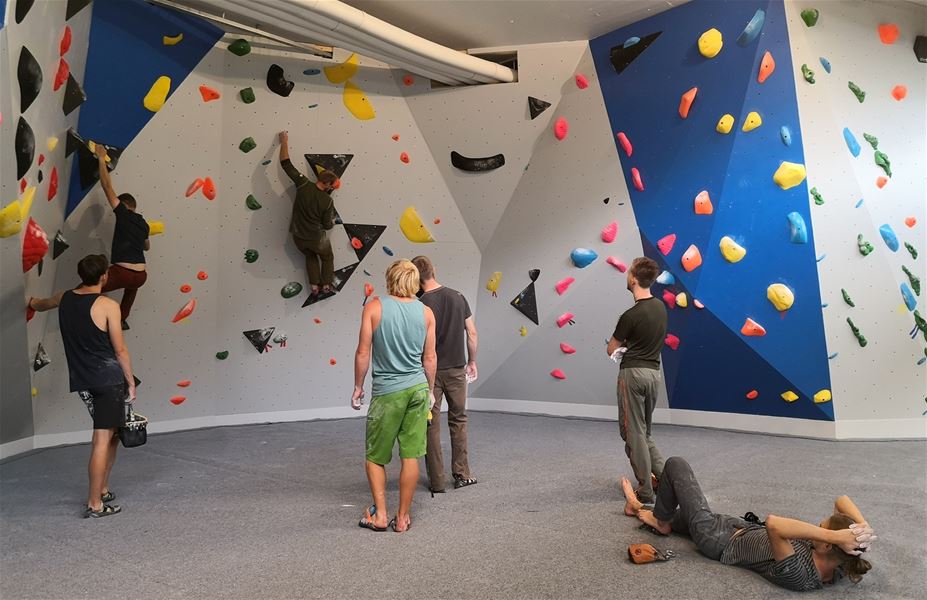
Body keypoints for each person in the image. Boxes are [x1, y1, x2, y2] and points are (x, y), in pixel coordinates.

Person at [621, 457, 875, 591]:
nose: (816, 529)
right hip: (733, 526)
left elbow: (775, 524)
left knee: (676, 465)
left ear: (829, 545)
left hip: (716, 538)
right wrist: (861, 527)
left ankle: (661, 520)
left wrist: (832, 535)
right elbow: (841, 500)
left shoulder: (802, 575)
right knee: (679, 506)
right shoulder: (841, 562)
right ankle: (640, 507)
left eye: (822, 530)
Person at [29, 254, 137, 518]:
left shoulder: (63, 298)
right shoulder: (107, 305)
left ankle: (103, 489)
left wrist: (30, 302)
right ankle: (95, 504)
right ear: (104, 277)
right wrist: (131, 382)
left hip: (84, 380)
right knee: (102, 439)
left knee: (112, 435)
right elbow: (120, 350)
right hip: (108, 379)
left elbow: (42, 304)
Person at [351, 259, 437, 532]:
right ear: (414, 281)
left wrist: (358, 387)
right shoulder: (426, 312)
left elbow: (363, 352)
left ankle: (379, 515)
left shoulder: (374, 308)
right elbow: (430, 358)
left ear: (390, 278)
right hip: (418, 390)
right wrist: (431, 392)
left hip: (388, 392)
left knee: (376, 456)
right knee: (410, 456)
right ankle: (402, 518)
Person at [411, 255, 479, 493]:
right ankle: (462, 475)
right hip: (457, 370)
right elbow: (471, 333)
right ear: (434, 270)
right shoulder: (458, 297)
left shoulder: (419, 304)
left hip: (429, 372)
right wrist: (472, 361)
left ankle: (437, 481)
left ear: (415, 279)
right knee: (459, 420)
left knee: (430, 423)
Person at [606, 256, 667, 505]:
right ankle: (666, 479)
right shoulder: (661, 308)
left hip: (632, 374)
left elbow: (611, 348)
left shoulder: (629, 315)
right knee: (646, 433)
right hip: (654, 375)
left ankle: (644, 491)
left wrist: (621, 349)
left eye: (628, 273)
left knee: (632, 434)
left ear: (633, 278)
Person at [95, 146, 150, 330]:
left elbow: (106, 186)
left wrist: (101, 158)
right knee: (132, 287)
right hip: (141, 275)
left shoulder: (123, 213)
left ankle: (80, 310)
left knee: (89, 289)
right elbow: (146, 246)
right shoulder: (143, 223)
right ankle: (122, 318)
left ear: (125, 205)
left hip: (123, 272)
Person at [277, 131, 338, 296]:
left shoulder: (303, 184)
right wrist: (331, 221)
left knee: (310, 256)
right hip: (316, 238)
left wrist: (284, 142)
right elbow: (326, 225)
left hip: (298, 237)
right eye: (331, 186)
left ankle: (313, 286)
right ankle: (325, 285)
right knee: (327, 257)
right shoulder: (327, 201)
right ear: (326, 183)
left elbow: (286, 164)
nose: (331, 188)